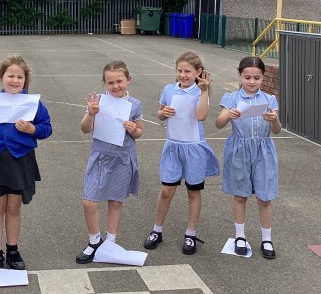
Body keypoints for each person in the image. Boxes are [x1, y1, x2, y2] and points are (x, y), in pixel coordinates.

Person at [0, 55, 52, 273]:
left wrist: (32, 129)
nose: (14, 80)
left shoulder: (33, 103)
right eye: (10, 76)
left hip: (20, 159)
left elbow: (46, 128)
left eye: (19, 77)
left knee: (14, 208)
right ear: (1, 77)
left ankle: (13, 250)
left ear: (25, 79)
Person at [143, 51, 219, 255]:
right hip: (173, 147)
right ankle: (157, 230)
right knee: (166, 190)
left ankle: (190, 233)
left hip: (194, 148)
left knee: (193, 192)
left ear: (198, 72)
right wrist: (163, 113)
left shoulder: (200, 91)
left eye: (188, 71)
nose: (183, 75)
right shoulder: (169, 89)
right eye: (180, 71)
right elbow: (160, 113)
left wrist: (204, 91)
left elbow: (201, 116)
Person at [76, 61, 143, 264]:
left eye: (119, 81)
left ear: (128, 79)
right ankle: (94, 241)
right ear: (104, 83)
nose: (115, 86)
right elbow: (85, 129)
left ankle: (110, 242)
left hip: (122, 158)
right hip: (100, 156)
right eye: (110, 82)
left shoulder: (134, 104)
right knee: (89, 201)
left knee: (115, 201)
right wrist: (91, 113)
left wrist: (134, 129)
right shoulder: (98, 102)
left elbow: (139, 132)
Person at [215, 56, 281, 259]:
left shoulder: (269, 99)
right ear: (240, 76)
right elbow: (219, 123)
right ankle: (240, 236)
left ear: (263, 77)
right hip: (239, 149)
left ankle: (267, 239)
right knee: (240, 195)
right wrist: (229, 115)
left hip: (263, 150)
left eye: (257, 78)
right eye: (247, 77)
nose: (252, 82)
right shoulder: (231, 98)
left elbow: (277, 130)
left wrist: (274, 119)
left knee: (265, 197)